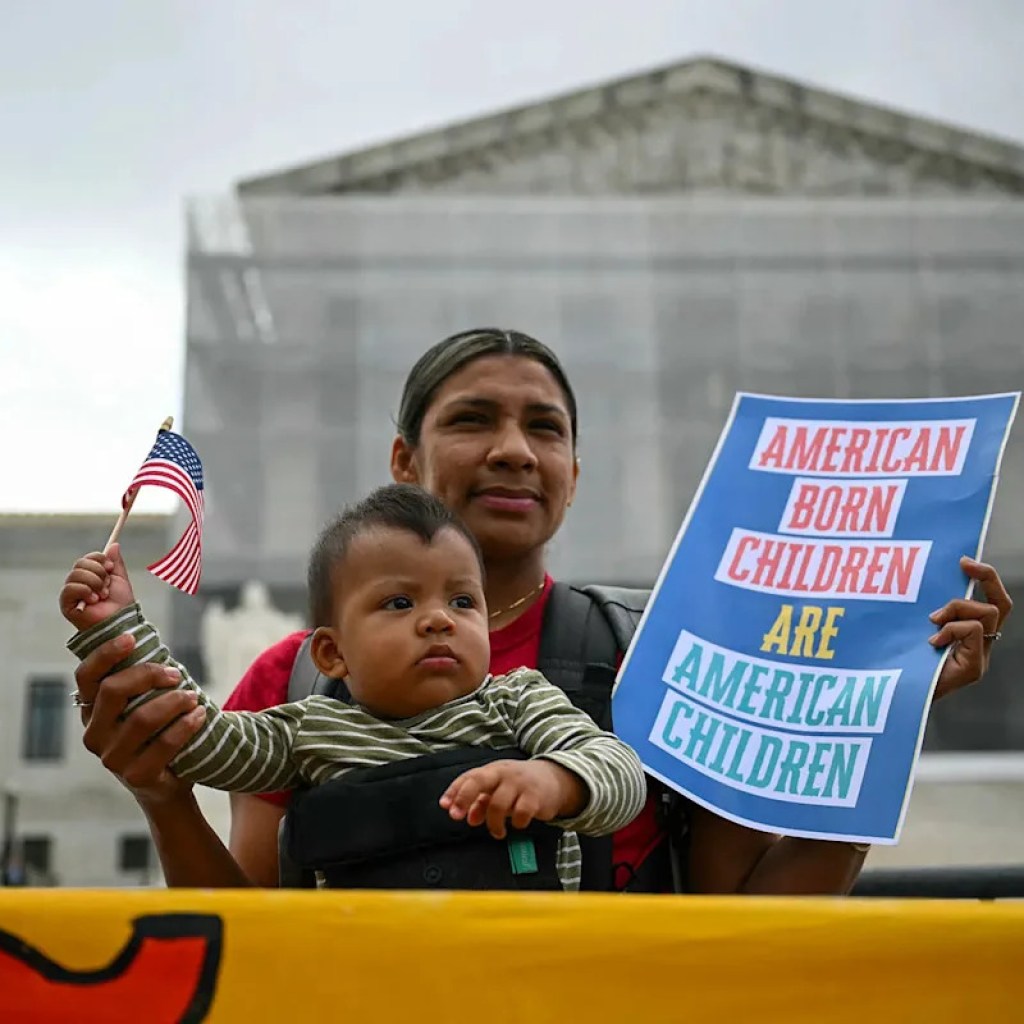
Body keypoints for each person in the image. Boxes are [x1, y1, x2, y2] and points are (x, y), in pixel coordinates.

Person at [63, 328, 1014, 894]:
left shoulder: (664, 658)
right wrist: (161, 792)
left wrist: (887, 712)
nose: (515, 449)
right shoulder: (294, 681)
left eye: (545, 428)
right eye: (473, 419)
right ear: (405, 461)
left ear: (572, 472)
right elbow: (251, 932)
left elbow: (755, 915)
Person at [60, 484, 647, 892]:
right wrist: (117, 627)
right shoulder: (309, 729)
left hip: (517, 983)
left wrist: (555, 780)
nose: (439, 619)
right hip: (358, 986)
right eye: (400, 602)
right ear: (332, 653)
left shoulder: (520, 699)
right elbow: (195, 736)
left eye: (463, 601)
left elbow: (618, 771)